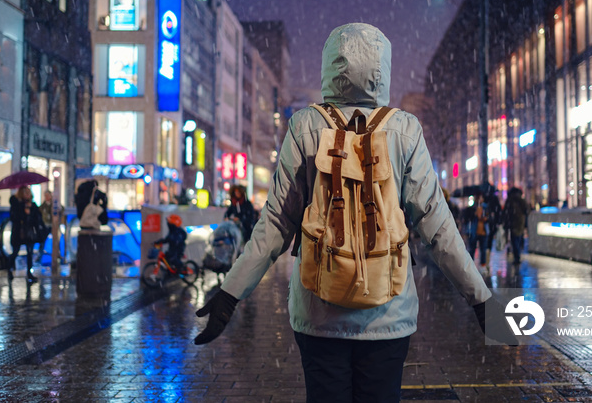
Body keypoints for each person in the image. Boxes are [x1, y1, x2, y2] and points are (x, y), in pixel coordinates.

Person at [193, 23, 516, 402]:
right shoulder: (404, 129)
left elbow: (276, 224)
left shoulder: (305, 125)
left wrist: (231, 293)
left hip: (318, 314)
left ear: (331, 66)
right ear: (383, 68)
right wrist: (481, 300)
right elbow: (438, 226)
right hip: (389, 315)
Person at [8, 185, 42, 283]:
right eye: (25, 192)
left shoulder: (33, 205)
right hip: (19, 232)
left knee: (30, 252)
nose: (27, 195)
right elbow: (13, 218)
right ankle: (9, 269)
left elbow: (37, 219)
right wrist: (24, 213)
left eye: (28, 192)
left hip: (29, 232)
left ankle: (29, 273)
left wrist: (31, 211)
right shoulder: (16, 204)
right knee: (15, 251)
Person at [502, 187, 530, 265]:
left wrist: (505, 222)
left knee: (514, 240)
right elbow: (527, 210)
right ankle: (518, 255)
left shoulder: (510, 200)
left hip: (513, 223)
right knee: (518, 238)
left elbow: (506, 212)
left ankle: (516, 256)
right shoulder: (521, 200)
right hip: (520, 222)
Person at [464, 191, 490, 272]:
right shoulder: (472, 207)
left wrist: (485, 218)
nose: (479, 199)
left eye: (480, 197)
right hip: (474, 232)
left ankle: (483, 266)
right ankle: (471, 266)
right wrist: (474, 214)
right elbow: (467, 218)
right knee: (472, 249)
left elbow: (490, 218)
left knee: (483, 249)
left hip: (483, 232)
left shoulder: (485, 207)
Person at [37, 190, 53, 261]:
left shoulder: (54, 204)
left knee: (56, 241)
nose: (46, 197)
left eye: (48, 195)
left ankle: (57, 256)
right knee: (42, 241)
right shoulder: (43, 206)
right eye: (45, 196)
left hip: (53, 225)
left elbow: (61, 209)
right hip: (45, 226)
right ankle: (40, 257)